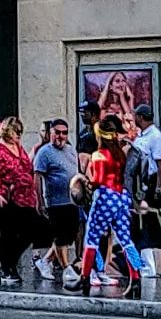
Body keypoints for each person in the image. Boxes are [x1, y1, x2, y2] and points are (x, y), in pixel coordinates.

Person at [67, 116, 145, 297]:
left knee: (91, 239)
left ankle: (85, 277)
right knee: (126, 240)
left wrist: (85, 182)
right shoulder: (120, 154)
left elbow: (99, 180)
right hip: (121, 197)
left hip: (105, 198)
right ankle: (136, 278)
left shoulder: (98, 155)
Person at [0, 118, 40, 286]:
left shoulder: (18, 147)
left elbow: (26, 168)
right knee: (8, 232)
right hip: (5, 196)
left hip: (24, 196)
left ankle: (11, 259)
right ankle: (8, 268)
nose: (18, 135)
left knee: (32, 230)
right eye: (15, 132)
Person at [32, 119, 81, 283]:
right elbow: (37, 177)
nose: (61, 136)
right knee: (60, 236)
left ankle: (45, 261)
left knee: (70, 235)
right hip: (55, 201)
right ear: (51, 133)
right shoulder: (44, 152)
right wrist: (39, 201)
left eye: (64, 132)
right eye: (57, 132)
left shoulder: (71, 150)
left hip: (72, 200)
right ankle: (66, 267)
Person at [129, 104, 161, 276]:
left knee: (151, 221)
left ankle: (152, 264)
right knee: (140, 222)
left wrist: (158, 188)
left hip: (152, 182)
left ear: (141, 117)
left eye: (136, 116)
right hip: (141, 182)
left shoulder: (155, 136)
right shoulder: (141, 136)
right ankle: (143, 261)